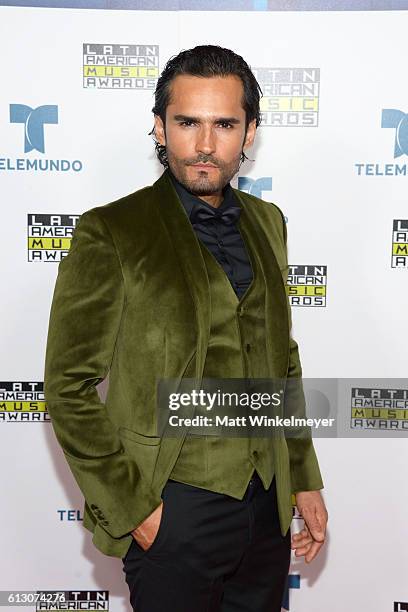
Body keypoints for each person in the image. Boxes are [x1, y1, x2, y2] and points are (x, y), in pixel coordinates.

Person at [44, 44, 328, 612]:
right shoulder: (112, 231)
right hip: (173, 510)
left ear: (249, 133)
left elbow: (282, 360)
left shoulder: (269, 223)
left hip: (265, 511)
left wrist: (304, 476)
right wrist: (138, 514)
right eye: (187, 123)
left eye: (224, 124)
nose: (204, 144)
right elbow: (68, 387)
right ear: (159, 127)